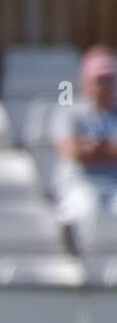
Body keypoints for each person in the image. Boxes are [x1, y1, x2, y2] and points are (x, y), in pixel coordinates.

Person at [54, 46, 117, 226]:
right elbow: (72, 151)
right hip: (79, 185)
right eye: (100, 80)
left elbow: (84, 151)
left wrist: (92, 149)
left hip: (114, 186)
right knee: (88, 206)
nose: (105, 86)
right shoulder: (69, 113)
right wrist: (107, 151)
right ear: (87, 82)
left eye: (109, 80)